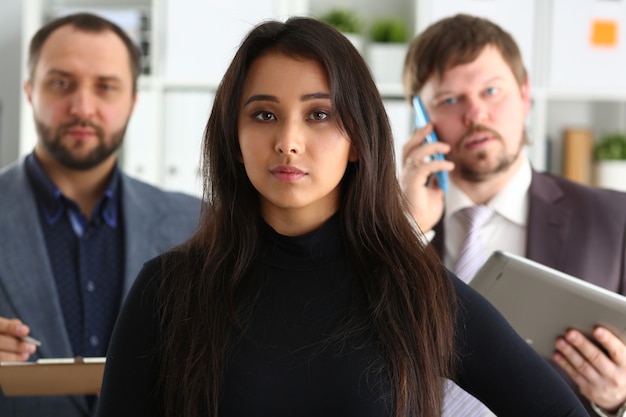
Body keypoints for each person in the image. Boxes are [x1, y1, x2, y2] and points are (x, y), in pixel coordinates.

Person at [95, 16, 587, 417]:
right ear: (233, 141)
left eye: (319, 115)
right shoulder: (167, 290)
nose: (288, 139)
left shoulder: (416, 291)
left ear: (358, 141)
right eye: (264, 114)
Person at [401, 13, 626, 417]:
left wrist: (618, 399)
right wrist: (405, 229)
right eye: (450, 100)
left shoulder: (614, 219)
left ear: (524, 97)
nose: (476, 114)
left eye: (491, 91)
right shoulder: (390, 226)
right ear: (422, 119)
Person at [0, 12, 201, 417]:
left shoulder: (198, 225)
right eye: (61, 83)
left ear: (132, 100)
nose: (82, 107)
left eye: (106, 87)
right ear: (29, 91)